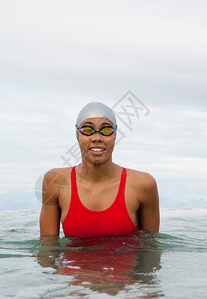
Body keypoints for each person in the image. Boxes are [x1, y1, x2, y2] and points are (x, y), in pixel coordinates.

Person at [39, 102, 159, 239]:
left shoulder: (143, 184)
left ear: (115, 135)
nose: (97, 138)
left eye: (106, 130)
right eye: (88, 130)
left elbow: (151, 253)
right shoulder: (55, 182)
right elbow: (47, 250)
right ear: (77, 135)